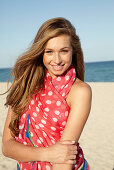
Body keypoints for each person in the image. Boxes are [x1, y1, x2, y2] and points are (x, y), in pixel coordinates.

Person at [2, 17, 92, 170]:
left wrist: (50, 155)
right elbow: (7, 147)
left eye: (64, 51)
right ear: (40, 53)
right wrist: (47, 154)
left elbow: (64, 159)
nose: (56, 60)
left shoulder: (80, 91)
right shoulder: (26, 84)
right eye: (49, 52)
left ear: (73, 51)